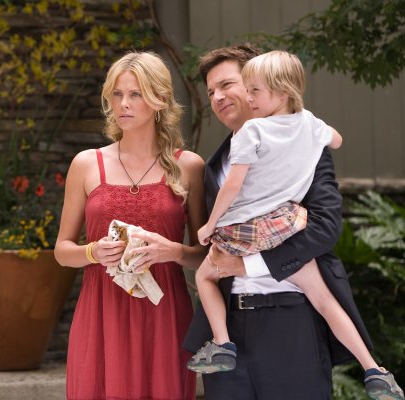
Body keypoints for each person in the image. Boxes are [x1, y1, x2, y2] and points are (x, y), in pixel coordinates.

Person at [186, 50, 403, 399]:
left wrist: (249, 264)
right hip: (231, 321)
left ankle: (373, 370)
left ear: (269, 86)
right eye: (211, 91)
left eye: (229, 85)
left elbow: (326, 227)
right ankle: (374, 370)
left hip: (291, 321)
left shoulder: (305, 145)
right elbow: (209, 249)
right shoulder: (214, 162)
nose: (218, 97)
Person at [54, 51, 207, 400]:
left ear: (160, 99)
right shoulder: (86, 164)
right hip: (101, 311)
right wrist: (93, 252)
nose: (123, 104)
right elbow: (62, 251)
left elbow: (204, 255)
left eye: (135, 94)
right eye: (117, 94)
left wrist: (173, 251)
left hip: (164, 313)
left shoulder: (189, 167)